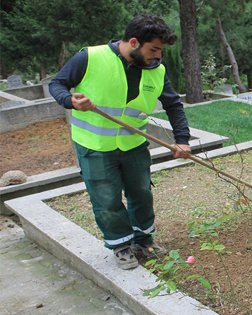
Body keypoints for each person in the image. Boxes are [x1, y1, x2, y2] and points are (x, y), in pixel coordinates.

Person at [49, 15, 191, 270]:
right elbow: (57, 83)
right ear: (134, 42)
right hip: (95, 147)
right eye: (153, 49)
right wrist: (69, 101)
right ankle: (121, 246)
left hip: (134, 146)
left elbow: (174, 105)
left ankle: (144, 241)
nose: (158, 56)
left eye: (160, 50)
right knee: (107, 200)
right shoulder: (90, 57)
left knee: (141, 195)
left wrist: (182, 140)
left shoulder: (156, 70)